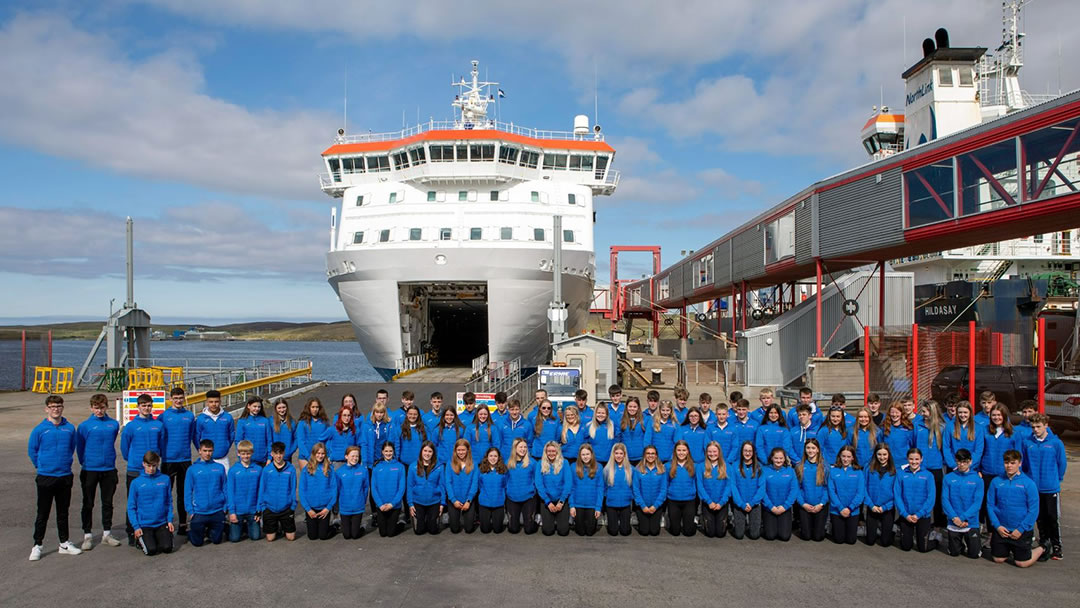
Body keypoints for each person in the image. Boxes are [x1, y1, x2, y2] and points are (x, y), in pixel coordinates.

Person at [28, 395, 82, 561]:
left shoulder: (69, 428)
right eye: (52, 406)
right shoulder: (40, 429)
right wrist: (42, 466)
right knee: (43, 513)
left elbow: (72, 447)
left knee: (63, 512)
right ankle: (37, 545)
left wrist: (64, 463)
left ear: (62, 408)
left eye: (58, 406)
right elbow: (33, 450)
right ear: (47, 409)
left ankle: (64, 543)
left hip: (64, 476)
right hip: (46, 476)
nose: (55, 409)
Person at [76, 393, 121, 550]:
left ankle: (107, 534)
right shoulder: (84, 426)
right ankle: (87, 535)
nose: (99, 411)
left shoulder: (113, 424)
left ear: (106, 407)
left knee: (107, 503)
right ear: (91, 408)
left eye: (102, 408)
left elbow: (111, 441)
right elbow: (80, 447)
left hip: (108, 469)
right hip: (90, 470)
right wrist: (86, 463)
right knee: (88, 503)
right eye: (96, 408)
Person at [988, 449, 1046, 566]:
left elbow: (1034, 510)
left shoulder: (1029, 484)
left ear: (1019, 463)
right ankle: (1008, 549)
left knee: (1021, 563)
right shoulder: (996, 481)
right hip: (1002, 529)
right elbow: (990, 505)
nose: (1009, 466)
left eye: (1013, 463)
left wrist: (1021, 529)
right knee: (998, 559)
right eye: (1006, 462)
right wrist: (997, 526)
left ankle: (1043, 548)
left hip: (1020, 530)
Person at [121, 393, 164, 545]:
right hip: (135, 470)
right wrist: (134, 461)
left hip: (153, 469)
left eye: (149, 405)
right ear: (138, 407)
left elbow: (161, 445)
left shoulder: (158, 425)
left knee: (152, 500)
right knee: (133, 502)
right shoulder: (131, 426)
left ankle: (153, 528)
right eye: (143, 405)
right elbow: (124, 448)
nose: (146, 408)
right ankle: (132, 532)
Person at [1022, 414, 1066, 560]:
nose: (1035, 429)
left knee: (1052, 517)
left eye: (1038, 426)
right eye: (1033, 427)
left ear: (1046, 425)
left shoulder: (1055, 443)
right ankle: (1044, 544)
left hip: (1050, 488)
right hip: (1034, 487)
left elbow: (1061, 464)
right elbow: (1025, 463)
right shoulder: (1027, 442)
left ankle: (1057, 546)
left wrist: (1055, 479)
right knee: (1039, 517)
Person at [159, 387, 195, 536]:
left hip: (185, 459)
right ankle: (163, 524)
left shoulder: (190, 416)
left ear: (184, 397)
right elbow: (159, 438)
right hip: (168, 460)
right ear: (170, 398)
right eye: (175, 398)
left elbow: (194, 435)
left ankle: (182, 524)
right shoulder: (163, 416)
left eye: (181, 398)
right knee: (165, 493)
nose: (178, 400)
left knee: (183, 493)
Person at [127, 450, 173, 556]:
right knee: (151, 551)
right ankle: (141, 539)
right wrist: (136, 526)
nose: (151, 469)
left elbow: (169, 501)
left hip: (161, 522)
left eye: (154, 466)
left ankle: (159, 537)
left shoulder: (165, 479)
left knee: (167, 548)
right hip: (145, 524)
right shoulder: (136, 483)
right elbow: (131, 507)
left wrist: (169, 520)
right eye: (148, 466)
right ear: (143, 464)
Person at [981, 403, 1020, 526]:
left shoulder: (1014, 433)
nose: (996, 417)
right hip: (987, 473)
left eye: (999, 415)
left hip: (1005, 474)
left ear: (1004, 416)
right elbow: (980, 450)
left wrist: (1017, 472)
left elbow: (1018, 454)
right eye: (993, 415)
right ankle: (990, 532)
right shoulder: (985, 431)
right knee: (988, 503)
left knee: (1003, 503)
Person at [184, 439, 227, 547]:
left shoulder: (219, 468)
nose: (207, 453)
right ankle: (193, 532)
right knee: (197, 543)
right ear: (199, 451)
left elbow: (225, 488)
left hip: (217, 510)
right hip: (200, 511)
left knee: (217, 540)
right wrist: (191, 510)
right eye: (205, 450)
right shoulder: (192, 469)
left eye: (210, 451)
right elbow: (188, 491)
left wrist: (225, 507)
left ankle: (210, 530)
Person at [941, 449, 983, 558]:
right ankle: (959, 545)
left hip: (970, 522)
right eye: (959, 462)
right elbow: (945, 500)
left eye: (964, 462)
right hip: (953, 522)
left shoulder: (977, 479)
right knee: (954, 553)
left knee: (974, 555)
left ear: (970, 461)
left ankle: (973, 544)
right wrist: (954, 517)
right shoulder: (948, 478)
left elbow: (977, 503)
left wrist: (964, 518)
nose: (961, 464)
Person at [895, 448, 936, 553]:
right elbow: (897, 496)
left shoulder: (928, 475)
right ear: (907, 459)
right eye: (911, 459)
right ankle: (905, 533)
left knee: (923, 548)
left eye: (917, 459)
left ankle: (936, 539)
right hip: (906, 515)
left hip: (922, 515)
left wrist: (919, 514)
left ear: (921, 459)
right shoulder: (901, 474)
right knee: (906, 547)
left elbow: (931, 498)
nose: (914, 462)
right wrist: (905, 514)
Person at [915, 400, 946, 535]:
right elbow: (913, 444)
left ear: (932, 411)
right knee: (920, 496)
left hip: (936, 467)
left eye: (925, 411)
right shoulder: (917, 425)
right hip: (921, 467)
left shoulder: (942, 427)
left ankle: (938, 525)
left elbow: (945, 448)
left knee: (937, 497)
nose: (922, 413)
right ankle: (919, 523)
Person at [258, 442, 297, 542]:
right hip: (270, 508)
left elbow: (293, 488)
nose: (278, 456)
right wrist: (262, 507)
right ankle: (276, 527)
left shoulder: (291, 469)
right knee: (270, 538)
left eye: (281, 453)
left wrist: (292, 506)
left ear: (284, 453)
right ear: (272, 454)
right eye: (276, 453)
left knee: (291, 537)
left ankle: (283, 527)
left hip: (286, 508)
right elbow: (262, 488)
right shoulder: (266, 470)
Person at [299, 442, 337, 541]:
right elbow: (302, 491)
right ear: (314, 453)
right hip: (311, 509)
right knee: (312, 536)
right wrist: (308, 509)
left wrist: (328, 508)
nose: (320, 456)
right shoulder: (306, 469)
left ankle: (334, 527)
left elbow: (334, 489)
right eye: (318, 453)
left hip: (324, 508)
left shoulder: (329, 469)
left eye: (323, 453)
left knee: (323, 536)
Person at [226, 440, 263, 542]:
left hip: (253, 510)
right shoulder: (233, 470)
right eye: (243, 454)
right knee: (234, 538)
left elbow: (261, 490)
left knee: (255, 537)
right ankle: (232, 526)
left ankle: (248, 526)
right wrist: (232, 512)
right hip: (238, 510)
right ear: (238, 453)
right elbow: (230, 492)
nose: (246, 456)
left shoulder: (258, 469)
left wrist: (259, 510)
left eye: (248, 453)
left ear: (252, 453)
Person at [828, 445, 864, 545]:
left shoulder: (859, 472)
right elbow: (831, 491)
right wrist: (840, 508)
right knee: (838, 540)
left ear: (853, 458)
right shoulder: (833, 471)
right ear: (839, 456)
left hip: (852, 511)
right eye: (843, 456)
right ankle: (833, 527)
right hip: (837, 510)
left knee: (851, 540)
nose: (845, 459)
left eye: (848, 457)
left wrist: (850, 508)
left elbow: (860, 493)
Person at [536, 441, 573, 536]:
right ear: (545, 452)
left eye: (553, 451)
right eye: (549, 451)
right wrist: (547, 501)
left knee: (563, 532)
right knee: (548, 531)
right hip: (546, 501)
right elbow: (539, 485)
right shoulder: (540, 463)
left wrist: (561, 501)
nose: (551, 453)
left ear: (557, 452)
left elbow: (568, 483)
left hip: (561, 500)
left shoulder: (565, 463)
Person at [794, 439, 828, 542]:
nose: (810, 450)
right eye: (808, 448)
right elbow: (797, 488)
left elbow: (827, 488)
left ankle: (820, 527)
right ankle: (805, 526)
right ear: (805, 450)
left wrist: (821, 504)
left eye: (813, 448)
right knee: (806, 536)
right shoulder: (799, 466)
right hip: (805, 505)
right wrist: (803, 504)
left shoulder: (825, 466)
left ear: (818, 450)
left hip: (820, 505)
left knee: (818, 537)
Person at [696, 441, 732, 538]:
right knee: (710, 533)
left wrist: (721, 502)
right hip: (708, 503)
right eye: (710, 452)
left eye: (715, 452)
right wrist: (709, 502)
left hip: (722, 503)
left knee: (720, 534)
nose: (712, 454)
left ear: (719, 452)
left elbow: (729, 487)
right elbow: (700, 487)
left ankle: (726, 521)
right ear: (706, 453)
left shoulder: (727, 466)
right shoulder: (700, 466)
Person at [761, 447, 797, 541]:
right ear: (772, 458)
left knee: (784, 537)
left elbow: (794, 490)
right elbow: (762, 490)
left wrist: (785, 506)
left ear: (785, 459)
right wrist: (770, 506)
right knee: (770, 536)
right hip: (770, 508)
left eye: (781, 458)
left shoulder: (790, 471)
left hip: (784, 508)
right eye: (776, 458)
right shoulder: (764, 470)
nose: (778, 460)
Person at [407, 441, 444, 535]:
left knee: (433, 531)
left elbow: (442, 486)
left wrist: (442, 504)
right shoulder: (413, 466)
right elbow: (410, 486)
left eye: (430, 451)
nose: (427, 454)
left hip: (434, 501)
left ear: (433, 453)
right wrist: (410, 504)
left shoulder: (439, 467)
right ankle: (423, 518)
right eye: (425, 451)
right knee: (419, 531)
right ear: (421, 452)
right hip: (418, 501)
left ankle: (430, 518)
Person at [864, 444, 897, 548]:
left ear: (889, 455)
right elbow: (863, 488)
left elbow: (897, 493)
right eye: (879, 454)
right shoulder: (868, 468)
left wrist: (885, 507)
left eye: (884, 454)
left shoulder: (894, 470)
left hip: (887, 508)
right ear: (875, 454)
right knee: (870, 541)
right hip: (872, 507)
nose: (882, 457)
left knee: (885, 543)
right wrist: (871, 505)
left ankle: (890, 532)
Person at [371, 442, 406, 537]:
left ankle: (401, 523)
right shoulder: (376, 466)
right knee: (383, 533)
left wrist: (392, 504)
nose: (388, 453)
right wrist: (380, 504)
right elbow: (374, 488)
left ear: (394, 451)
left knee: (390, 533)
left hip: (394, 505)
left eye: (390, 451)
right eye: (386, 451)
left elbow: (401, 488)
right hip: (381, 505)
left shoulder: (400, 467)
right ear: (382, 452)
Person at [730, 441, 763, 540]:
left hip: (754, 504)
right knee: (739, 535)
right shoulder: (735, 466)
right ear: (741, 452)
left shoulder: (759, 467)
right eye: (745, 451)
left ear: (753, 452)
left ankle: (756, 526)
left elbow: (761, 488)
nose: (747, 453)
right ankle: (737, 525)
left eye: (750, 451)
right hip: (740, 503)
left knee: (754, 535)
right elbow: (733, 486)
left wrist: (752, 503)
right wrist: (741, 504)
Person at [335, 446, 370, 540]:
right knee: (346, 536)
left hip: (358, 507)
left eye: (357, 456)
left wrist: (362, 500)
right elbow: (337, 490)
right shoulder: (339, 472)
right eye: (352, 456)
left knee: (354, 535)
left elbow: (366, 488)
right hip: (345, 507)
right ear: (346, 456)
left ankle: (361, 526)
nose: (355, 458)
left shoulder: (363, 470)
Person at [569, 444, 604, 536]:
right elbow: (571, 488)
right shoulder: (573, 467)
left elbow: (600, 488)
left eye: (587, 454)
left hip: (592, 505)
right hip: (578, 504)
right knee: (580, 532)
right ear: (580, 456)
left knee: (590, 532)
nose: (585, 457)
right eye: (583, 454)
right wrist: (572, 506)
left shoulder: (599, 467)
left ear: (592, 454)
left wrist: (598, 507)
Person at [632, 445, 667, 536]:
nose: (650, 455)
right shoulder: (638, 469)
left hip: (656, 506)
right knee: (644, 532)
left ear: (656, 456)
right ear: (644, 455)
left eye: (653, 453)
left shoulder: (662, 470)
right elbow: (636, 490)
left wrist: (655, 506)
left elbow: (663, 490)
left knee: (654, 532)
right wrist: (643, 506)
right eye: (648, 453)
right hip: (642, 506)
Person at [444, 439, 478, 534]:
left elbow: (474, 484)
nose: (461, 452)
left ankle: (472, 516)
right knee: (454, 530)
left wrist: (468, 501)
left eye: (463, 450)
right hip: (454, 500)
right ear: (455, 451)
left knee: (469, 529)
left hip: (468, 500)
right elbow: (448, 483)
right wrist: (453, 500)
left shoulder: (474, 464)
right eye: (458, 450)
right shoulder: (449, 464)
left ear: (468, 450)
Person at [194, 390, 234, 470]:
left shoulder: (228, 417)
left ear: (220, 402)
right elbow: (196, 437)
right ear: (207, 402)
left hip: (223, 459)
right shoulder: (201, 418)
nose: (214, 404)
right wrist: (203, 452)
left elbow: (231, 435)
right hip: (206, 459)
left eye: (216, 401)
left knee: (224, 482)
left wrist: (225, 447)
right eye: (211, 402)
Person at [505, 438, 538, 534]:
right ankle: (511, 521)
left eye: (525, 447)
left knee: (529, 530)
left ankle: (534, 520)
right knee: (513, 530)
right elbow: (505, 480)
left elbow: (536, 480)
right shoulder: (508, 463)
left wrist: (533, 491)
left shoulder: (532, 463)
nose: (523, 449)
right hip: (512, 498)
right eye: (520, 447)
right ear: (515, 448)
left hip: (528, 498)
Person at [666, 441, 698, 537]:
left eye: (684, 450)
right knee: (675, 532)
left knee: (688, 532)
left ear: (688, 451)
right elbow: (665, 483)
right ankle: (673, 521)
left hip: (689, 500)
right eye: (679, 450)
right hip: (673, 500)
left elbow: (697, 483)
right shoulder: (668, 466)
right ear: (675, 452)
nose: (681, 453)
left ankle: (693, 522)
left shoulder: (694, 466)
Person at [603, 443, 634, 536]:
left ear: (624, 454)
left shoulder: (631, 469)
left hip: (626, 503)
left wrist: (630, 497)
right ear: (613, 454)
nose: (619, 456)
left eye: (621, 453)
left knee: (625, 532)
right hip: (611, 503)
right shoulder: (607, 469)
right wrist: (608, 496)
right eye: (616, 453)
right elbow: (604, 486)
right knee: (613, 532)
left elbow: (634, 487)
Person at [943, 401, 984, 471]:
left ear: (970, 413)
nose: (962, 415)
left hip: (971, 468)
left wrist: (968, 465)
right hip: (954, 467)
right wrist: (953, 465)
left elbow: (978, 450)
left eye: (965, 412)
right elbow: (946, 447)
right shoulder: (950, 426)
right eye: (960, 412)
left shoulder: (978, 428)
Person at [476, 447, 509, 534]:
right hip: (484, 503)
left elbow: (505, 485)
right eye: (491, 456)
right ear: (487, 457)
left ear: (499, 458)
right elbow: (479, 485)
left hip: (498, 503)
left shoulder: (503, 470)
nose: (493, 458)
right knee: (485, 530)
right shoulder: (481, 470)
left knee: (498, 530)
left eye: (495, 456)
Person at [236, 396, 272, 466]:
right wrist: (241, 458)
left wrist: (269, 458)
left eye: (259, 407)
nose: (257, 409)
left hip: (263, 461)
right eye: (254, 406)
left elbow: (269, 441)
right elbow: (238, 441)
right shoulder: (242, 421)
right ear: (248, 406)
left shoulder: (265, 421)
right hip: (248, 460)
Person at [296, 398, 329, 469]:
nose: (315, 409)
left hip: (321, 457)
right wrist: (308, 457)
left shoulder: (324, 422)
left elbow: (328, 440)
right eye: (313, 407)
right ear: (308, 408)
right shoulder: (302, 422)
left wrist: (326, 455)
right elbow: (300, 442)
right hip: (305, 458)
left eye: (317, 407)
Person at [363, 403, 395, 468]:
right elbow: (364, 444)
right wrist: (364, 461)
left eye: (381, 412)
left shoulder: (389, 425)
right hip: (372, 459)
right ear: (374, 413)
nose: (379, 415)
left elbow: (393, 443)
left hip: (385, 459)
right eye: (377, 412)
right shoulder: (367, 426)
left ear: (384, 413)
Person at [619, 397, 647, 465]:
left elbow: (647, 438)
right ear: (626, 407)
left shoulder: (645, 419)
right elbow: (618, 438)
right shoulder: (620, 419)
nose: (632, 409)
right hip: (626, 456)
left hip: (640, 456)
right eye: (630, 406)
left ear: (638, 408)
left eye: (634, 407)